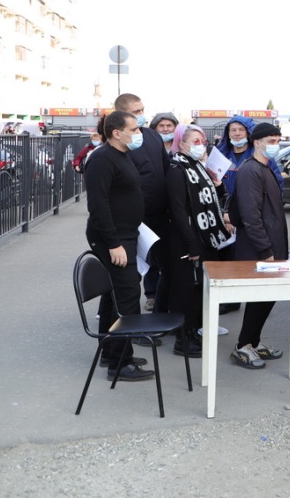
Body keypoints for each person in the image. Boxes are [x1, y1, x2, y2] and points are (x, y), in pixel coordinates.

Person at [84, 111, 154, 382]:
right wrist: (114, 244)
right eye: (134, 129)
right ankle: (120, 364)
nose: (138, 134)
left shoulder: (121, 154)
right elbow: (98, 205)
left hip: (127, 235)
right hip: (113, 239)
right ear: (116, 132)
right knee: (126, 297)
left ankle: (110, 351)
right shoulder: (102, 159)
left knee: (114, 297)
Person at [165, 124, 232, 357]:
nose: (200, 145)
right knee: (186, 289)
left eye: (202, 141)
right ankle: (183, 339)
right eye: (195, 141)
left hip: (204, 237)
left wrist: (218, 184)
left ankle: (194, 331)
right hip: (188, 239)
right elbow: (178, 211)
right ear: (181, 144)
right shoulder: (176, 169)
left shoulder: (197, 166)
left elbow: (211, 198)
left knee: (197, 288)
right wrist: (192, 243)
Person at [229, 122, 288, 369]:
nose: (275, 145)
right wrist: (266, 251)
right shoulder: (251, 171)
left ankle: (253, 342)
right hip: (259, 250)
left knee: (266, 298)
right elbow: (251, 216)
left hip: (269, 247)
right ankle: (243, 347)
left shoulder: (265, 168)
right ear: (257, 143)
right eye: (271, 141)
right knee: (258, 299)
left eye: (277, 140)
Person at [113, 93, 171, 315]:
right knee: (130, 274)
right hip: (133, 220)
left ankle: (161, 313)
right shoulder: (118, 144)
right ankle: (122, 320)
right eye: (136, 112)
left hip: (159, 216)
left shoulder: (153, 137)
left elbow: (166, 170)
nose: (141, 116)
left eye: (142, 110)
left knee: (166, 265)